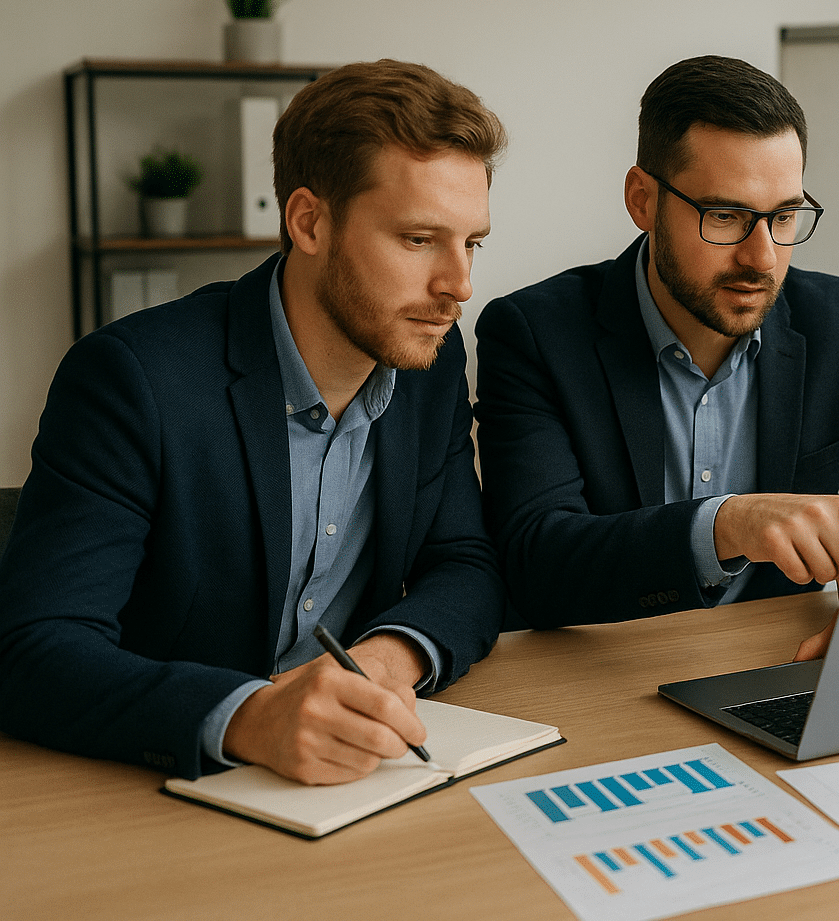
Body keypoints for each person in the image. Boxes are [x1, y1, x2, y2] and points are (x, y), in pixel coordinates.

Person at [0, 59, 509, 783]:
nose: (458, 285)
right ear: (309, 222)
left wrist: (385, 657)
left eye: (472, 243)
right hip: (157, 787)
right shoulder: (130, 379)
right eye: (419, 239)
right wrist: (246, 716)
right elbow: (32, 649)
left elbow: (465, 562)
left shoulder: (427, 349)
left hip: (354, 774)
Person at [475, 55, 839, 650]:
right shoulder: (535, 332)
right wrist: (726, 525)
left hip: (779, 659)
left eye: (784, 216)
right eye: (726, 216)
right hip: (606, 676)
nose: (761, 258)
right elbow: (537, 562)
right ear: (642, 200)